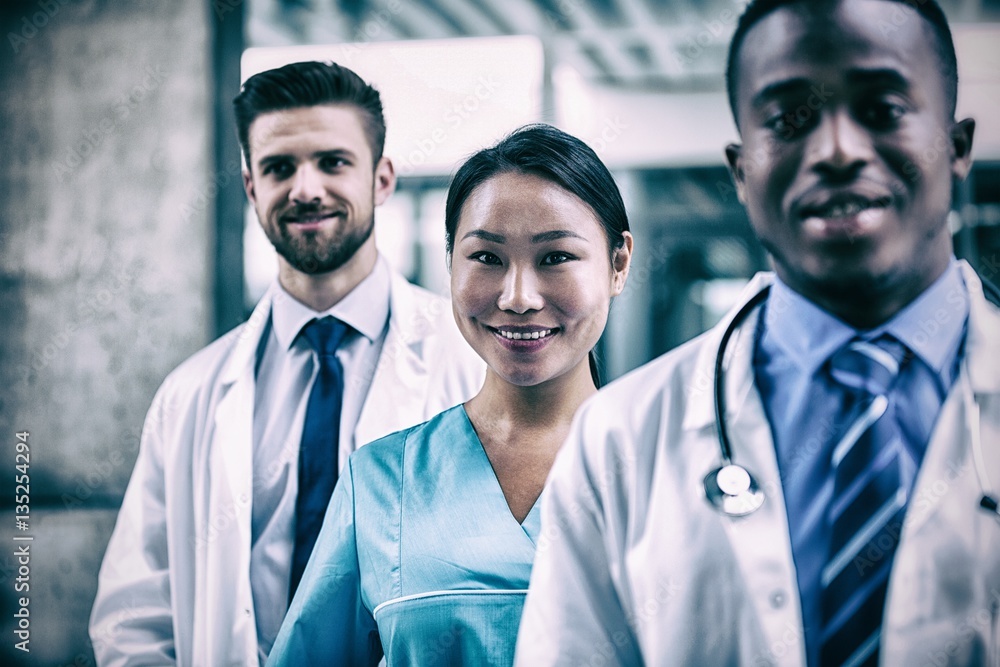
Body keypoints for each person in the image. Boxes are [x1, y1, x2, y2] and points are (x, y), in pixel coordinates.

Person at [515, 1, 1000, 665]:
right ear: (742, 171)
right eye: (788, 120)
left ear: (958, 145)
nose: (836, 150)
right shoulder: (619, 438)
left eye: (883, 110)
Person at [89, 61, 484, 666]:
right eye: (279, 168)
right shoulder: (191, 393)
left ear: (381, 179)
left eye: (333, 162)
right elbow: (135, 614)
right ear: (252, 188)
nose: (305, 188)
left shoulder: (473, 363)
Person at [265, 123, 634, 665]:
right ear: (450, 264)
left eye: (556, 257)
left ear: (618, 263)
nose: (518, 297)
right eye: (487, 258)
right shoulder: (381, 481)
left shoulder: (673, 467)